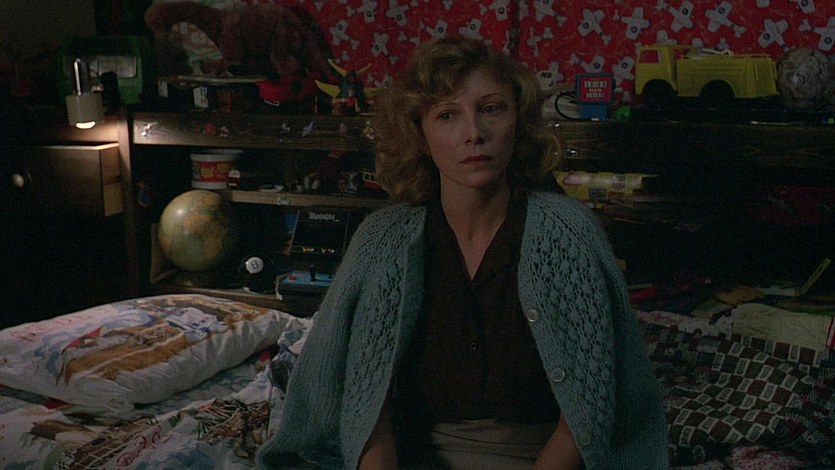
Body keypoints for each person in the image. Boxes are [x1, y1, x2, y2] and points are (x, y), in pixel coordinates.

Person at [257, 35, 669, 469]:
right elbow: (365, 404)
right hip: (412, 456)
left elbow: (588, 409)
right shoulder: (382, 241)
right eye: (448, 115)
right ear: (421, 135)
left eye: (491, 109)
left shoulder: (567, 233)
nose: (474, 133)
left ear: (518, 120)